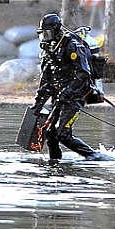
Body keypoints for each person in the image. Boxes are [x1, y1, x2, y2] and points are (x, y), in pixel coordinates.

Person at [30, 13, 100, 161]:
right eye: (43, 34)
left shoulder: (72, 46)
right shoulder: (48, 49)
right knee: (49, 133)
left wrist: (68, 92)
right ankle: (55, 162)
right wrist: (39, 101)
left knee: (63, 134)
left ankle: (94, 157)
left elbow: (84, 73)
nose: (46, 37)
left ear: (57, 30)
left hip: (75, 97)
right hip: (59, 96)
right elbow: (46, 78)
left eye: (48, 33)